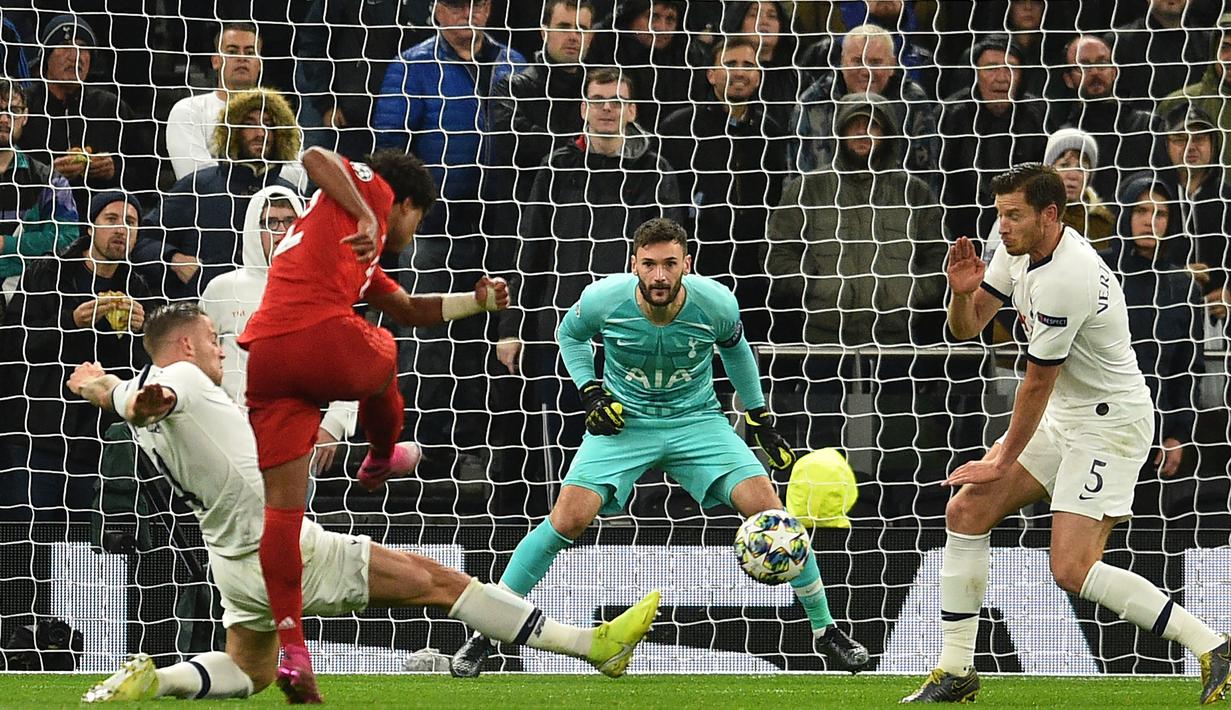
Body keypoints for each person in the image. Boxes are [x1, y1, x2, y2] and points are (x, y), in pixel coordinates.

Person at [71, 303, 660, 703]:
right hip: (285, 548)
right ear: (183, 344)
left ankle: (160, 680)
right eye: (211, 338)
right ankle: (592, 646)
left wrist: (100, 386)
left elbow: (128, 397)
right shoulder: (182, 379)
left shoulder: (158, 395)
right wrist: (129, 396)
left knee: (251, 669)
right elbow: (152, 396)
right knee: (442, 584)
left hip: (231, 559)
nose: (221, 349)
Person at [453, 218, 869, 677]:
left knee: (772, 513)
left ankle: (826, 630)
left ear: (686, 264)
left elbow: (736, 350)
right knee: (568, 518)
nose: (659, 275)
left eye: (669, 264)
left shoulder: (716, 303)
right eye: (649, 264)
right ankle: (487, 633)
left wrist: (759, 415)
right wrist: (590, 391)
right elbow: (569, 335)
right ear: (634, 263)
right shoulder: (602, 299)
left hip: (697, 421)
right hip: (626, 424)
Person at [901, 163, 1231, 704]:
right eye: (1000, 214)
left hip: (1109, 425)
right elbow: (967, 326)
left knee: (1072, 568)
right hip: (1066, 414)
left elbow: (1036, 383)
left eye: (1014, 215)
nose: (1003, 226)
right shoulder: (1015, 246)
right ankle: (956, 670)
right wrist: (961, 292)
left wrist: (1000, 461)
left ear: (1050, 214)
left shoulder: (1067, 278)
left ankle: (1212, 645)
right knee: (966, 512)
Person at [236, 145, 510, 702]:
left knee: (283, 514)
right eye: (418, 220)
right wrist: (367, 212)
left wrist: (476, 302)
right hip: (315, 336)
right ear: (407, 204)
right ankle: (382, 455)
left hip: (268, 360)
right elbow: (315, 156)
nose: (411, 232)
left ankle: (293, 648)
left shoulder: (350, 255)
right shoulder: (374, 194)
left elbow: (409, 306)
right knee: (382, 348)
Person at [0, 191, 151, 522]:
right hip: (34, 439)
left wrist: (141, 333)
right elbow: (14, 344)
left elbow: (141, 372)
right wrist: (71, 321)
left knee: (87, 547)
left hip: (96, 446)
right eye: (111, 219)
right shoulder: (48, 273)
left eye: (130, 222)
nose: (121, 229)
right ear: (90, 226)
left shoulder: (139, 289)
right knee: (26, 542)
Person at [199, 187, 354, 477]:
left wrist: (334, 425)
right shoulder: (223, 288)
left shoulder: (323, 289)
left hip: (293, 440)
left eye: (289, 221)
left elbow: (350, 365)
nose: (281, 231)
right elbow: (194, 360)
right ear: (253, 228)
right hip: (228, 439)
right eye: (270, 222)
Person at [1104, 172, 1203, 517]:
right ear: (1125, 214)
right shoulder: (1097, 270)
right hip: (1092, 429)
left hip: (1152, 433)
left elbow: (1187, 369)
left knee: (1144, 532)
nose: (1150, 221)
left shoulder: (1182, 286)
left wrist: (1178, 433)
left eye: (1160, 214)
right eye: (1141, 210)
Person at [143, 88, 302, 300]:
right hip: (202, 310)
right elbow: (143, 239)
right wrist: (174, 259)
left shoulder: (291, 195)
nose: (261, 133)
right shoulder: (198, 186)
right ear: (232, 131)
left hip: (275, 306)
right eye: (250, 124)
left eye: (268, 124)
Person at [19, 14, 156, 204]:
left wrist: (115, 171)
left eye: (83, 47)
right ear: (46, 57)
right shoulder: (21, 106)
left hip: (101, 217)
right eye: (65, 45)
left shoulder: (112, 108)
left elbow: (149, 176)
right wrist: (48, 174)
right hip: (35, 215)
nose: (75, 56)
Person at [938, 34, 1046, 243]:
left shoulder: (1037, 114)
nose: (1002, 77)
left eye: (1011, 68)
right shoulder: (950, 115)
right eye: (991, 68)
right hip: (960, 228)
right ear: (975, 74)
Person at [488, 0, 595, 203]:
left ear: (591, 37)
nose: (573, 36)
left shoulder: (598, 94)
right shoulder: (512, 88)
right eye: (564, 27)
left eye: (581, 29)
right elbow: (517, 148)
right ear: (544, 32)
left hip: (583, 209)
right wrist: (584, 144)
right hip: (524, 211)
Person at [1047, 34, 1159, 203]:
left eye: (1102, 63)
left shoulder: (1147, 126)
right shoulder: (1065, 139)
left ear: (1114, 72)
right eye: (1084, 65)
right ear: (1068, 79)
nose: (1095, 72)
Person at [0, 77, 79, 310]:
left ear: (25, 116)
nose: (4, 118)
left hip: (26, 303)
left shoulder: (49, 180)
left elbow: (67, 238)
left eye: (14, 110)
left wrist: (7, 244)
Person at [165, 21, 262, 181]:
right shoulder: (187, 111)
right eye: (232, 51)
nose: (242, 58)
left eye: (250, 52)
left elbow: (296, 176)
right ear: (216, 61)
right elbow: (195, 177)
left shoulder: (276, 116)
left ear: (259, 64)